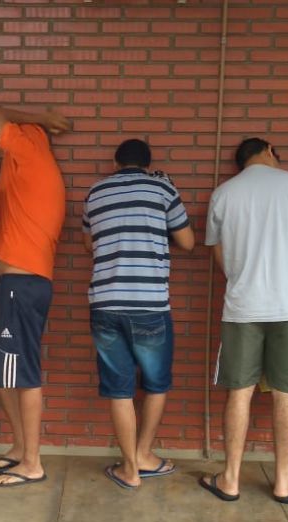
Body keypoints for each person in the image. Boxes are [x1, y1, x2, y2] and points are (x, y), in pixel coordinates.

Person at [201, 137, 288, 503]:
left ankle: (231, 479)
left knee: (240, 391)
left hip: (243, 307)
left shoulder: (223, 194)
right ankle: (284, 482)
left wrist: (242, 276)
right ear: (270, 150)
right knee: (286, 394)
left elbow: (218, 253)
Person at [82, 139, 194, 490]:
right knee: (156, 383)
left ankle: (129, 469)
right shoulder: (162, 188)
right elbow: (188, 242)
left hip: (105, 302)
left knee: (119, 389)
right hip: (149, 304)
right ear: (148, 163)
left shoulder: (96, 192)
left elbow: (90, 244)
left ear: (115, 162)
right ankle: (145, 454)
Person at [0, 106, 70, 487]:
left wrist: (39, 119)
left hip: (22, 285)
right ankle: (20, 448)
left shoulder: (31, 151)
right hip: (13, 286)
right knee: (5, 373)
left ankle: (32, 462)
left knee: (25, 375)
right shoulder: (25, 170)